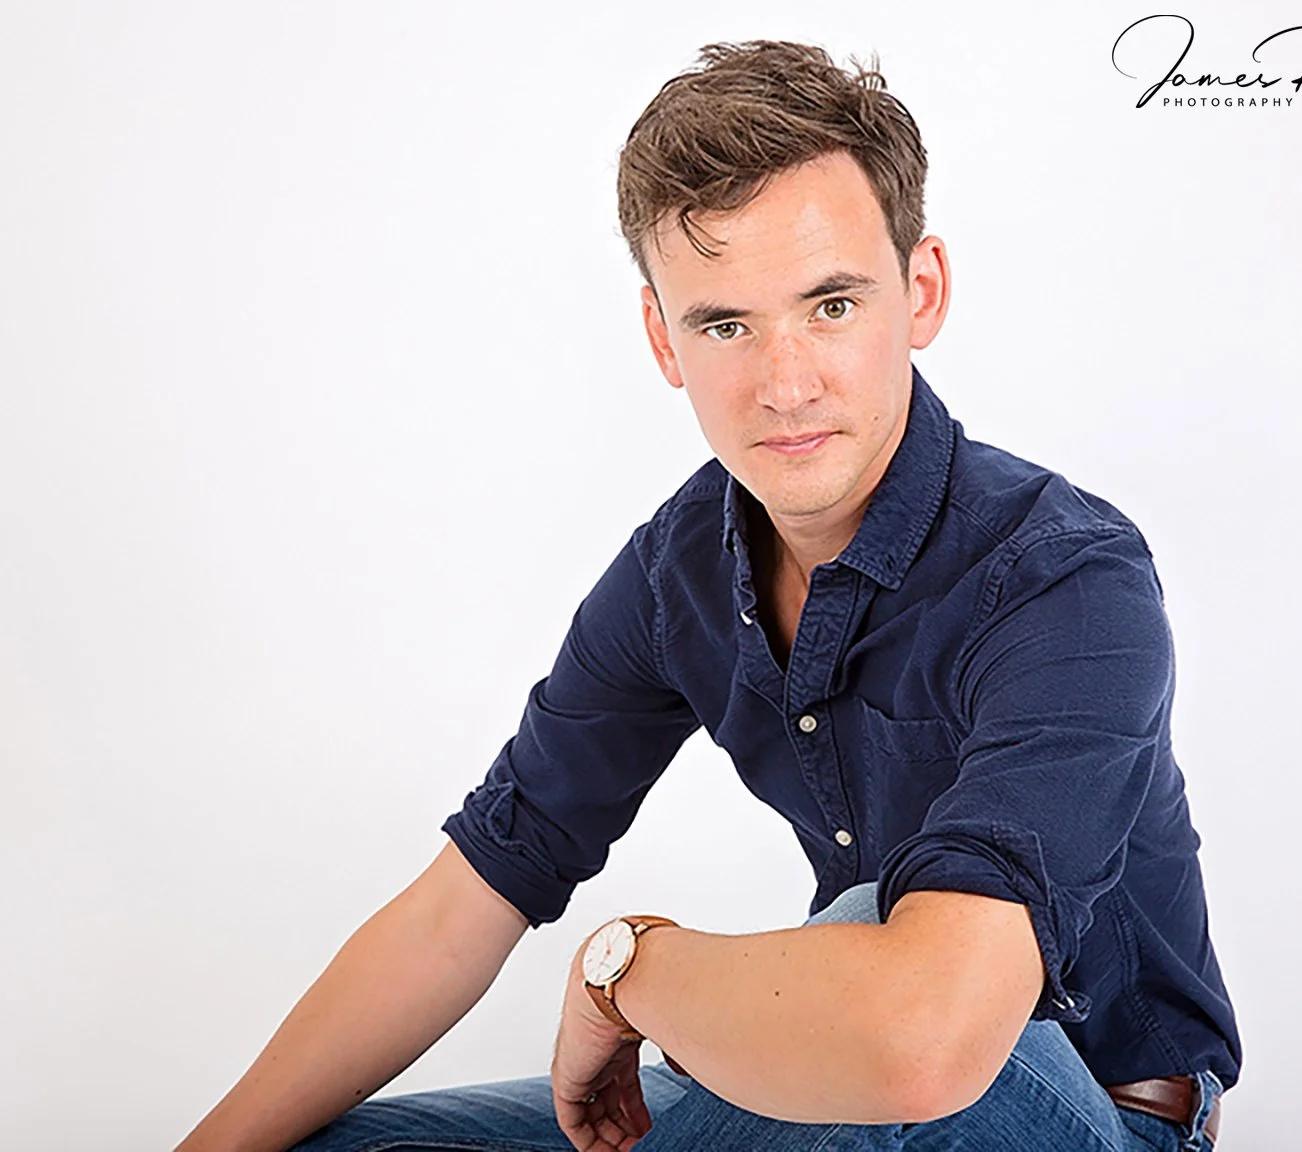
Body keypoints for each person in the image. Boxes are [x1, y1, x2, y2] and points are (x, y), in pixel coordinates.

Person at [175, 39, 1240, 1152]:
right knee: (341, 1147)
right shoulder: (678, 570)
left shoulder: (1066, 577)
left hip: (1074, 1111)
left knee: (888, 944)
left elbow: (927, 1038)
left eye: (831, 305)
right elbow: (461, 904)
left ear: (920, 293)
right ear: (662, 339)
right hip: (818, 1094)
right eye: (725, 324)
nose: (784, 385)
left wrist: (628, 969)